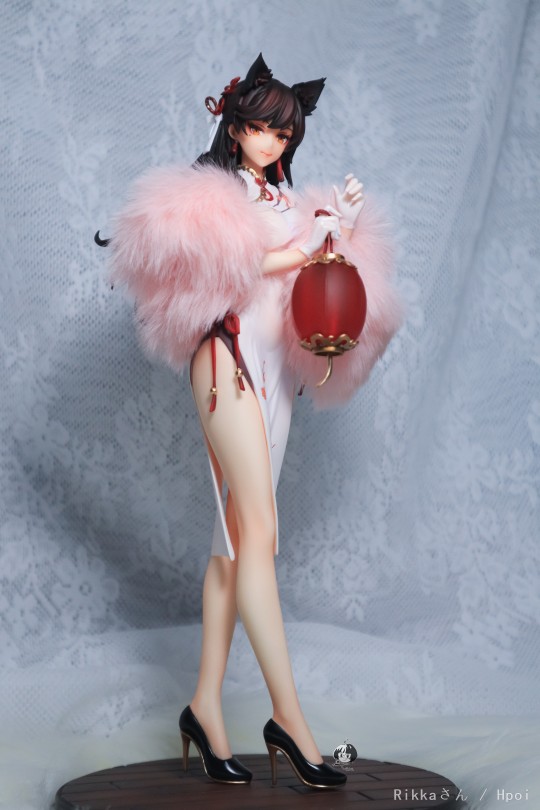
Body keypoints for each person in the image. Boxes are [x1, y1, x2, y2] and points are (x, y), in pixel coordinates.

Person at [104, 53, 403, 790]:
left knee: (231, 543)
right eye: (263, 127)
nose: (273, 141)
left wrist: (339, 231)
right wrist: (301, 245)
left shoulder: (287, 199)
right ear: (234, 125)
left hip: (278, 373)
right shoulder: (214, 198)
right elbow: (221, 269)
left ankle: (204, 708)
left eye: (285, 132)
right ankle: (289, 719)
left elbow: (313, 282)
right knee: (259, 535)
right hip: (228, 361)